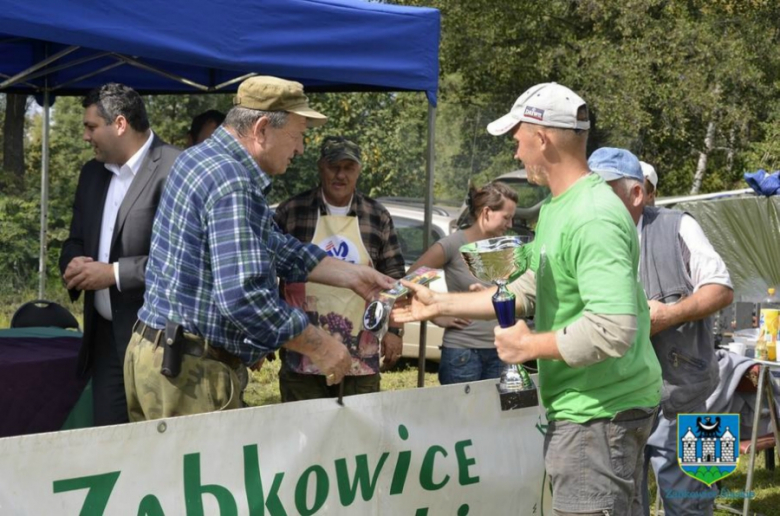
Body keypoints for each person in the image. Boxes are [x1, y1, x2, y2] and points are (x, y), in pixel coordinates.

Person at [392, 82, 663, 515]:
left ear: (542, 138)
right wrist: (439, 305)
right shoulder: (559, 207)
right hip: (591, 409)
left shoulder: (592, 216)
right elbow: (531, 288)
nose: (516, 153)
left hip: (597, 413)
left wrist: (528, 347)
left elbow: (613, 329)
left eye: (518, 140)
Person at [124, 76, 395, 421]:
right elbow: (244, 299)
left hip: (156, 354)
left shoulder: (200, 159)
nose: (300, 149)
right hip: (189, 372)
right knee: (210, 474)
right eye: (297, 135)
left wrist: (351, 274)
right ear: (262, 128)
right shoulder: (232, 182)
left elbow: (274, 244)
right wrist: (321, 346)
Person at [588, 147, 733, 516]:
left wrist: (670, 314)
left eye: (604, 189)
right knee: (621, 505)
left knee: (696, 506)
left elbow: (722, 288)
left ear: (638, 194)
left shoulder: (680, 224)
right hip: (615, 401)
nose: (592, 199)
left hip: (691, 396)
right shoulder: (587, 234)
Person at [59, 83, 181, 426]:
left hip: (159, 343)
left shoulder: (175, 168)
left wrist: (112, 274)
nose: (85, 137)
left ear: (121, 124)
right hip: (103, 343)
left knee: (158, 444)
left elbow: (181, 261)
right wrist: (73, 262)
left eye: (91, 126)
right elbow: (75, 240)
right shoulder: (91, 174)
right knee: (110, 444)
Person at [273, 136, 406, 400]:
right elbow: (267, 274)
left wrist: (394, 331)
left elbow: (394, 279)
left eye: (349, 167)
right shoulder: (292, 211)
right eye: (334, 166)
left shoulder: (376, 216)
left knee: (360, 435)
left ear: (358, 170)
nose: (340, 175)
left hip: (362, 350)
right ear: (321, 167)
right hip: (303, 350)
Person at [407, 181, 517, 385]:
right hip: (463, 353)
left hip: (501, 350)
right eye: (506, 218)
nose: (510, 225)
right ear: (486, 213)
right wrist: (437, 316)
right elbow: (412, 278)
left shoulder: (505, 247)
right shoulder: (453, 244)